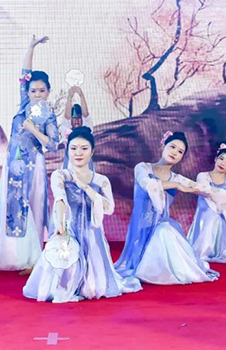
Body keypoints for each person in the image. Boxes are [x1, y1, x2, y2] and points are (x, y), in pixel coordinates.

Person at [114, 132, 226, 284]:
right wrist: (175, 185)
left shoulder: (178, 178)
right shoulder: (143, 168)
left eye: (180, 151)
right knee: (161, 233)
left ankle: (169, 274)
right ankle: (149, 269)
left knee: (165, 230)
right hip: (140, 227)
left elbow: (212, 191)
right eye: (172, 147)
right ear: (163, 145)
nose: (175, 152)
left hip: (160, 224)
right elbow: (147, 185)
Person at [23, 127, 141, 302]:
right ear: (67, 150)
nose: (78, 153)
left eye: (84, 148)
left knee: (93, 288)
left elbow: (109, 208)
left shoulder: (101, 180)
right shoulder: (60, 175)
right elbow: (60, 199)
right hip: (68, 230)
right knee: (63, 270)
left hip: (91, 233)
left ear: (92, 152)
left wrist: (85, 187)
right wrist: (61, 225)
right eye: (73, 148)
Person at [0, 35, 60, 273]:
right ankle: (12, 255)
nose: (37, 94)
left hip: (33, 164)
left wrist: (34, 130)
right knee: (11, 207)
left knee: (32, 205)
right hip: (13, 163)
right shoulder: (24, 105)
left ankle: (32, 258)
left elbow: (54, 144)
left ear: (48, 92)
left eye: (41, 90)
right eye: (33, 90)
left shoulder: (49, 115)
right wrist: (31, 47)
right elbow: (25, 74)